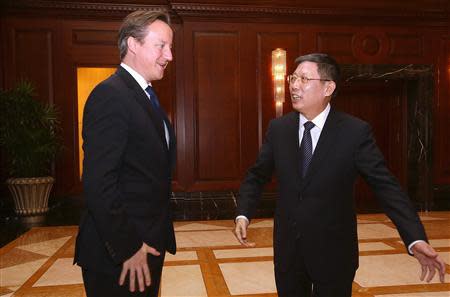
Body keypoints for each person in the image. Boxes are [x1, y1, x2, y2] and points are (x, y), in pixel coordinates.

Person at [234, 53, 446, 297]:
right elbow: (256, 175)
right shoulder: (279, 129)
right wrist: (243, 213)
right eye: (293, 78)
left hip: (334, 255)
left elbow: (387, 187)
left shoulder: (354, 132)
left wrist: (414, 238)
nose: (294, 85)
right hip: (289, 253)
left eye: (304, 79)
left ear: (328, 87)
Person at [74, 10, 176, 297]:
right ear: (133, 44)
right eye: (161, 46)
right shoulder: (110, 95)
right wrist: (128, 248)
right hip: (120, 255)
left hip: (146, 245)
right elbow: (99, 184)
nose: (169, 56)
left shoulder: (143, 95)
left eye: (171, 47)